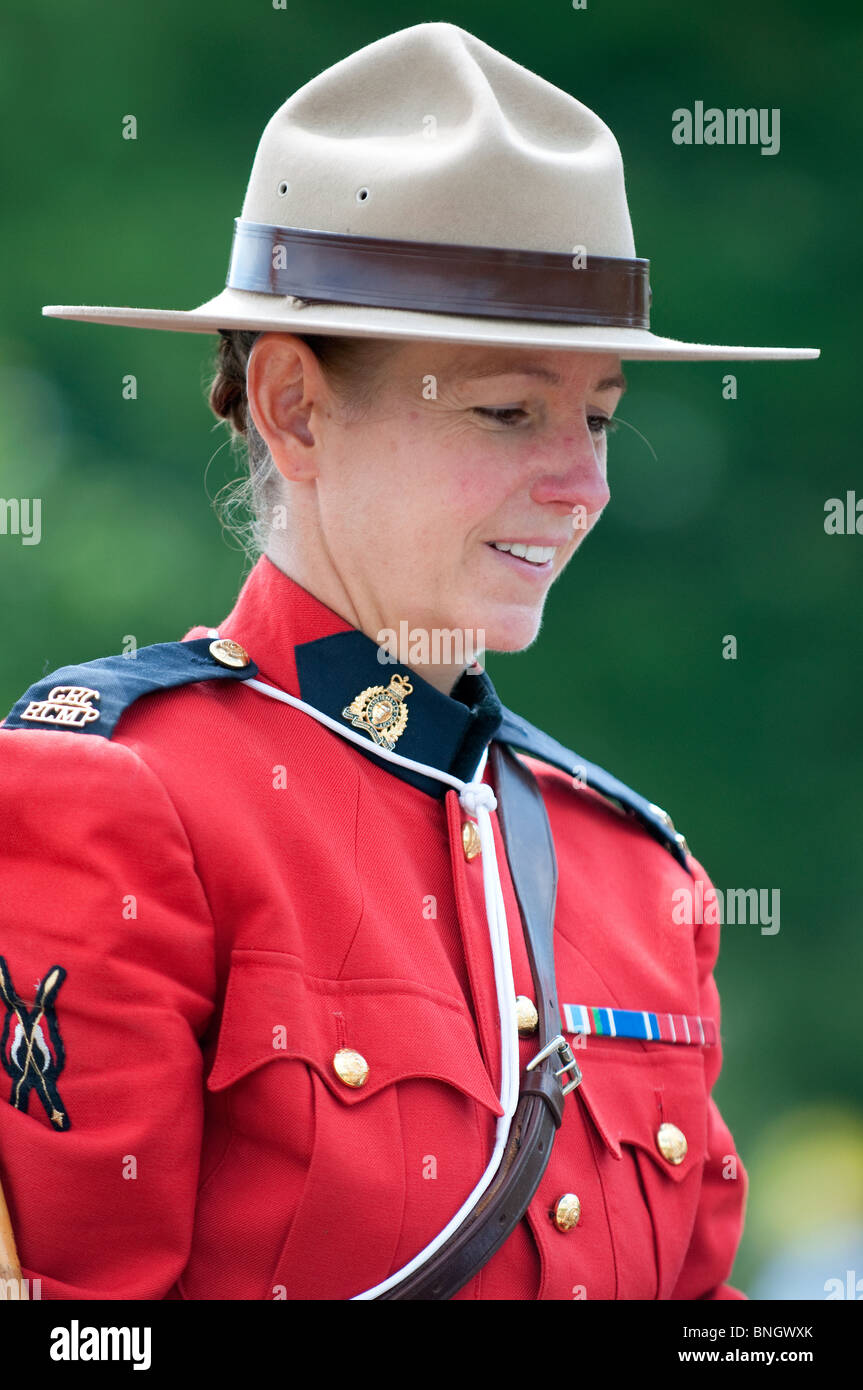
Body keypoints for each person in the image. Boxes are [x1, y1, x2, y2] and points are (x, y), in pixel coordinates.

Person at [0, 22, 818, 1300]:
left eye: (598, 415)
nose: (582, 484)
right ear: (294, 406)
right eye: (505, 411)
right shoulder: (116, 799)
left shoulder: (634, 872)